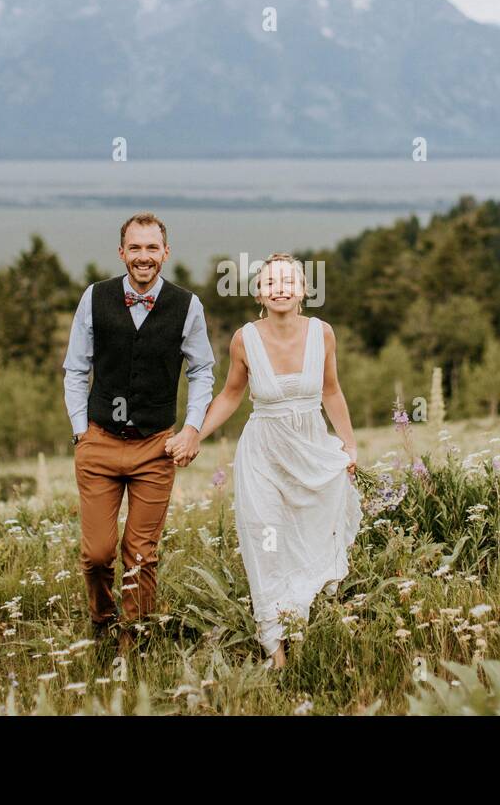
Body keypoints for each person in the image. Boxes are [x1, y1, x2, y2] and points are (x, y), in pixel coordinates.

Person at [193, 253, 362, 668]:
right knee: (266, 539)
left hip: (310, 452)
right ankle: (275, 647)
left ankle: (305, 620)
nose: (280, 289)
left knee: (309, 536)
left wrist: (349, 446)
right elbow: (232, 394)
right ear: (259, 293)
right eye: (271, 283)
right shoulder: (243, 339)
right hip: (263, 455)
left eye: (289, 281)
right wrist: (194, 434)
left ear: (304, 290)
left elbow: (331, 391)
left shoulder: (323, 334)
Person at [62, 212, 215, 650]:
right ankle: (102, 618)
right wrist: (80, 432)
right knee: (96, 555)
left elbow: (203, 370)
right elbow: (75, 368)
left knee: (142, 554)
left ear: (165, 253)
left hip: (155, 446)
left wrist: (192, 429)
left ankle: (136, 639)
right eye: (135, 248)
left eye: (152, 248)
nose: (143, 257)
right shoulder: (94, 298)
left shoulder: (188, 306)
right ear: (121, 252)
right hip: (99, 442)